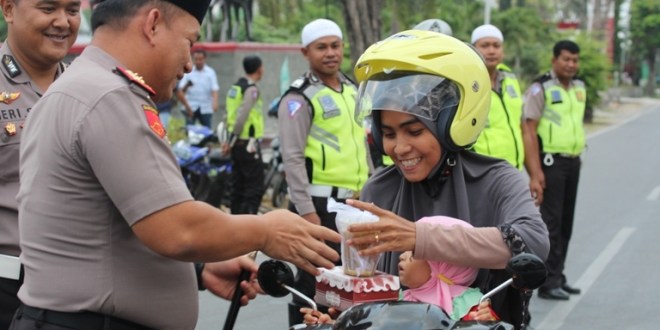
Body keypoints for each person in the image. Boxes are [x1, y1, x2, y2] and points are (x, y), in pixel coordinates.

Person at [13, 1, 341, 329]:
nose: (188, 63)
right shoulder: (110, 97)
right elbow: (177, 229)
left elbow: (111, 228)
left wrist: (197, 271)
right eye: (189, 42)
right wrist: (267, 230)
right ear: (153, 24)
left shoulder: (79, 87)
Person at [343, 29, 549, 329]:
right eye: (388, 134)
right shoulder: (379, 188)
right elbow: (363, 286)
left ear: (452, 123)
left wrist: (420, 237)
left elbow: (534, 243)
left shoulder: (497, 179)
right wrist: (337, 313)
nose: (399, 148)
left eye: (414, 131)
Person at [276, 18, 371, 326]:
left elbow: (364, 145)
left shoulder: (352, 90)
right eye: (321, 47)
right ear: (306, 52)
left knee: (350, 287)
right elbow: (291, 157)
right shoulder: (298, 97)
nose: (330, 53)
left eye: (335, 45)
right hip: (317, 208)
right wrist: (306, 213)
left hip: (353, 209)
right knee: (311, 288)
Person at [0, 0, 80, 327]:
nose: (62, 22)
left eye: (73, 10)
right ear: (8, 9)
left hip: (77, 294)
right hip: (6, 287)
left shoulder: (87, 88)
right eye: (48, 8)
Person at [301, 216, 500, 326]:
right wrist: (332, 323)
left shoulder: (470, 303)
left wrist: (485, 321)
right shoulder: (393, 297)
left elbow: (490, 326)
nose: (402, 256)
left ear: (443, 264)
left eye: (413, 251)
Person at [522, 40, 585, 301]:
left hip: (572, 160)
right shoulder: (541, 88)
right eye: (566, 59)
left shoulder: (579, 87)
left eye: (575, 60)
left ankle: (558, 275)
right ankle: (548, 282)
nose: (571, 64)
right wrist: (535, 173)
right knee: (552, 224)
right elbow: (529, 130)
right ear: (554, 59)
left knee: (566, 222)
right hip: (551, 163)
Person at [470, 24, 526, 170]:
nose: (491, 51)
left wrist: (535, 174)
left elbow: (523, 127)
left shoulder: (511, 81)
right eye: (485, 45)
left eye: (496, 46)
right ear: (473, 49)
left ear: (503, 51)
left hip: (513, 169)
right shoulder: (466, 82)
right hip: (480, 170)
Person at [224, 55, 265, 215]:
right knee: (254, 187)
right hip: (247, 142)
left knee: (238, 185)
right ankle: (249, 223)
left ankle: (235, 222)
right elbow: (242, 115)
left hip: (236, 144)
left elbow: (228, 115)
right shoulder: (251, 89)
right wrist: (232, 140)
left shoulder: (235, 87)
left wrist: (227, 140)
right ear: (259, 69)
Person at [176, 48, 219, 128]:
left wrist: (215, 103)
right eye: (196, 59)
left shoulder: (210, 72)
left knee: (207, 132)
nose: (198, 62)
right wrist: (187, 107)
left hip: (206, 107)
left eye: (200, 59)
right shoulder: (189, 72)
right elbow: (180, 91)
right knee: (190, 132)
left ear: (205, 59)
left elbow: (214, 89)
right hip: (191, 106)